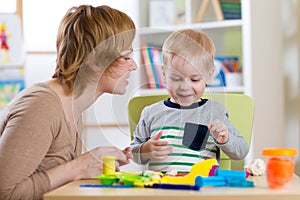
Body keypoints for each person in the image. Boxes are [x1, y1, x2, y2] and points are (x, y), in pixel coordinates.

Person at [0, 5, 136, 200]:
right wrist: (77, 167)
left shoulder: (73, 105)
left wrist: (92, 165)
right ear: (96, 61)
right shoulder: (41, 106)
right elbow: (5, 193)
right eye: (126, 57)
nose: (134, 65)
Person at [130, 29, 248, 173]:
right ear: (164, 75)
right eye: (176, 78)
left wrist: (225, 140)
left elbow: (241, 151)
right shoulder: (151, 113)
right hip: (161, 189)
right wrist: (144, 150)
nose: (185, 87)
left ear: (209, 76)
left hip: (203, 188)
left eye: (194, 79)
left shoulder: (214, 111)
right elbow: (133, 152)